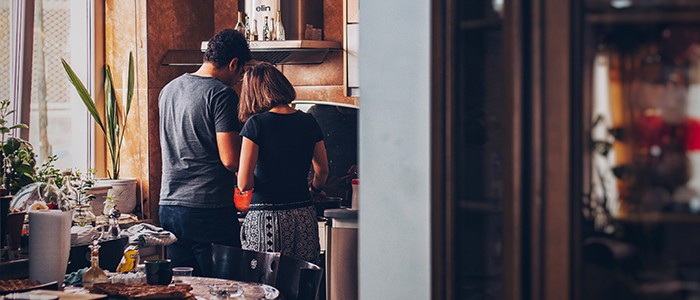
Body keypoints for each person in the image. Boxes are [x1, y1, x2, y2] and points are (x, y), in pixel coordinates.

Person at [158, 29, 251, 276]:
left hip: (169, 207)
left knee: (186, 289)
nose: (238, 80)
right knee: (226, 289)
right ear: (233, 64)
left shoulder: (168, 90)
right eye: (241, 74)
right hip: (207, 210)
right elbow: (231, 160)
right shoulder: (221, 94)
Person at [237, 62, 329, 264]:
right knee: (302, 283)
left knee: (265, 287)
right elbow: (322, 170)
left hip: (266, 218)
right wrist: (314, 190)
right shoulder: (308, 121)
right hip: (303, 215)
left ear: (253, 93)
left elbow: (244, 184)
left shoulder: (256, 124)